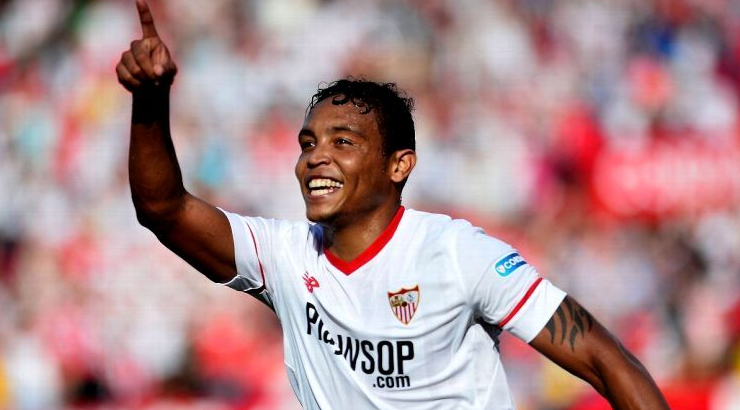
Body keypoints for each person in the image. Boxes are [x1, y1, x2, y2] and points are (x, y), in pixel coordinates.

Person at [116, 1, 671, 409]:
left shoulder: (458, 254)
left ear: (399, 165)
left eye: (343, 142)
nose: (315, 157)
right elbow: (162, 209)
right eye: (308, 143)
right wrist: (150, 100)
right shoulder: (285, 257)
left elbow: (604, 360)